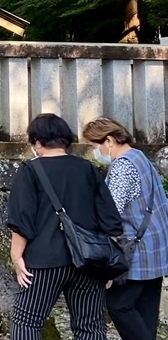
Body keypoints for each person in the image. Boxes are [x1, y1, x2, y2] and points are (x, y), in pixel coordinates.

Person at [7, 113, 124, 340]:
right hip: (89, 263)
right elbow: (111, 221)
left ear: (37, 142)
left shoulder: (30, 170)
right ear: (66, 141)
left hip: (44, 261)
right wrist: (108, 263)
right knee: (90, 327)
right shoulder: (88, 169)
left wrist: (16, 256)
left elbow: (22, 219)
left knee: (27, 320)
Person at [82, 117, 168, 340]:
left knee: (119, 305)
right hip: (157, 247)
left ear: (109, 140)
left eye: (95, 145)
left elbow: (111, 216)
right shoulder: (140, 157)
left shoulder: (122, 167)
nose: (95, 151)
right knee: (146, 311)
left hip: (136, 251)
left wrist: (107, 264)